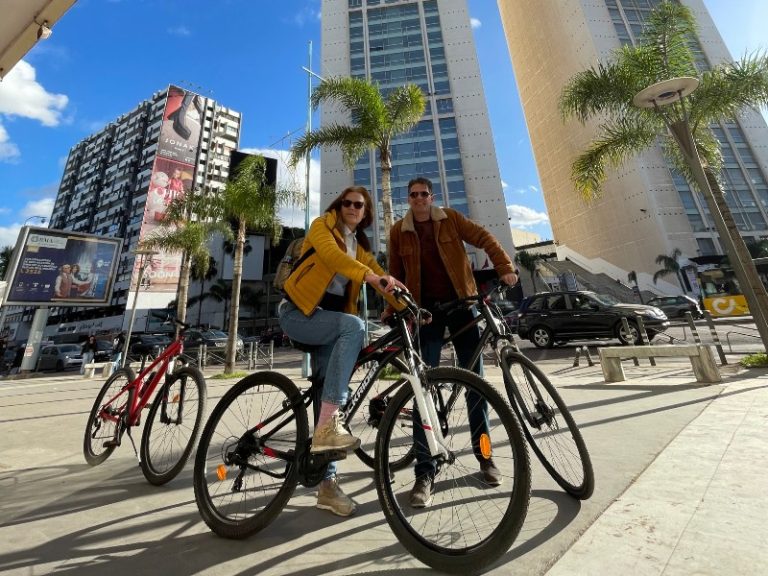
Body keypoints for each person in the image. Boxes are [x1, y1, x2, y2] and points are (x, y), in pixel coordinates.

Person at [387, 176, 519, 508]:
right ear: (409, 198)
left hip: (463, 306)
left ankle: (486, 458)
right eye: (413, 195)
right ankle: (424, 473)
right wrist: (393, 309)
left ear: (432, 197)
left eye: (423, 194)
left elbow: (484, 237)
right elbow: (394, 271)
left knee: (477, 385)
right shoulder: (398, 231)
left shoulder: (450, 219)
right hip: (425, 314)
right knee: (424, 390)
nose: (418, 199)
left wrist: (504, 266)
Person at [278, 186, 405, 517]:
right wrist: (370, 277)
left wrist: (405, 304)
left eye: (359, 205)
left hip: (330, 324)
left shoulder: (360, 248)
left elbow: (380, 277)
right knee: (355, 326)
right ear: (340, 205)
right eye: (347, 202)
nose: (352, 207)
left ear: (365, 213)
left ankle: (327, 485)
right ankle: (328, 425)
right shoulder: (323, 226)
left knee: (330, 400)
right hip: (299, 313)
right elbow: (334, 259)